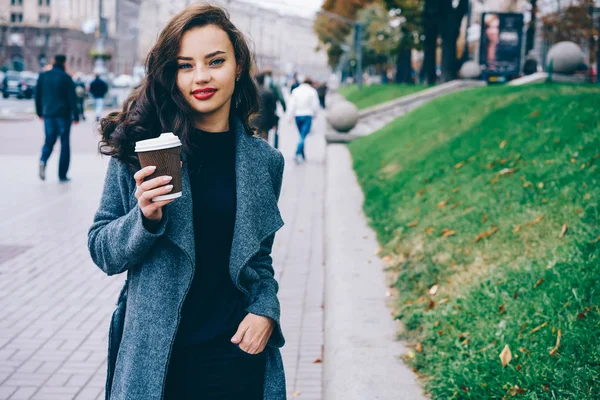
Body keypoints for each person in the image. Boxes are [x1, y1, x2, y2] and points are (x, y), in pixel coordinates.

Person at [88, 4, 286, 399]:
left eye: (215, 61)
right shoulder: (140, 148)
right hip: (157, 359)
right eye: (184, 65)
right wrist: (143, 218)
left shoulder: (264, 161)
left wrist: (266, 310)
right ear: (171, 73)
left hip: (235, 356)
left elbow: (259, 260)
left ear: (238, 65)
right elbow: (102, 249)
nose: (201, 77)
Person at [35, 54, 79, 182]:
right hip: (63, 115)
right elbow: (72, 99)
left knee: (49, 140)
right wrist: (76, 116)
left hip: (48, 114)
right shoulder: (66, 78)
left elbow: (37, 95)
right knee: (64, 144)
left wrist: (39, 112)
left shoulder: (43, 76)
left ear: (53, 61)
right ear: (64, 63)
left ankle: (43, 160)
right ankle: (62, 174)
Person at [287, 76, 320, 164]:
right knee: (303, 136)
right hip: (307, 115)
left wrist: (289, 116)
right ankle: (297, 152)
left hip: (297, 115)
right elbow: (315, 104)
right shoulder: (312, 91)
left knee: (301, 135)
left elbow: (292, 104)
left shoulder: (296, 91)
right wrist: (315, 114)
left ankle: (302, 154)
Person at [255, 73, 279, 144]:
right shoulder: (269, 92)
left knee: (254, 140)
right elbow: (272, 109)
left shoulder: (252, 92)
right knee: (264, 141)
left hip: (253, 121)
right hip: (265, 121)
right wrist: (274, 122)